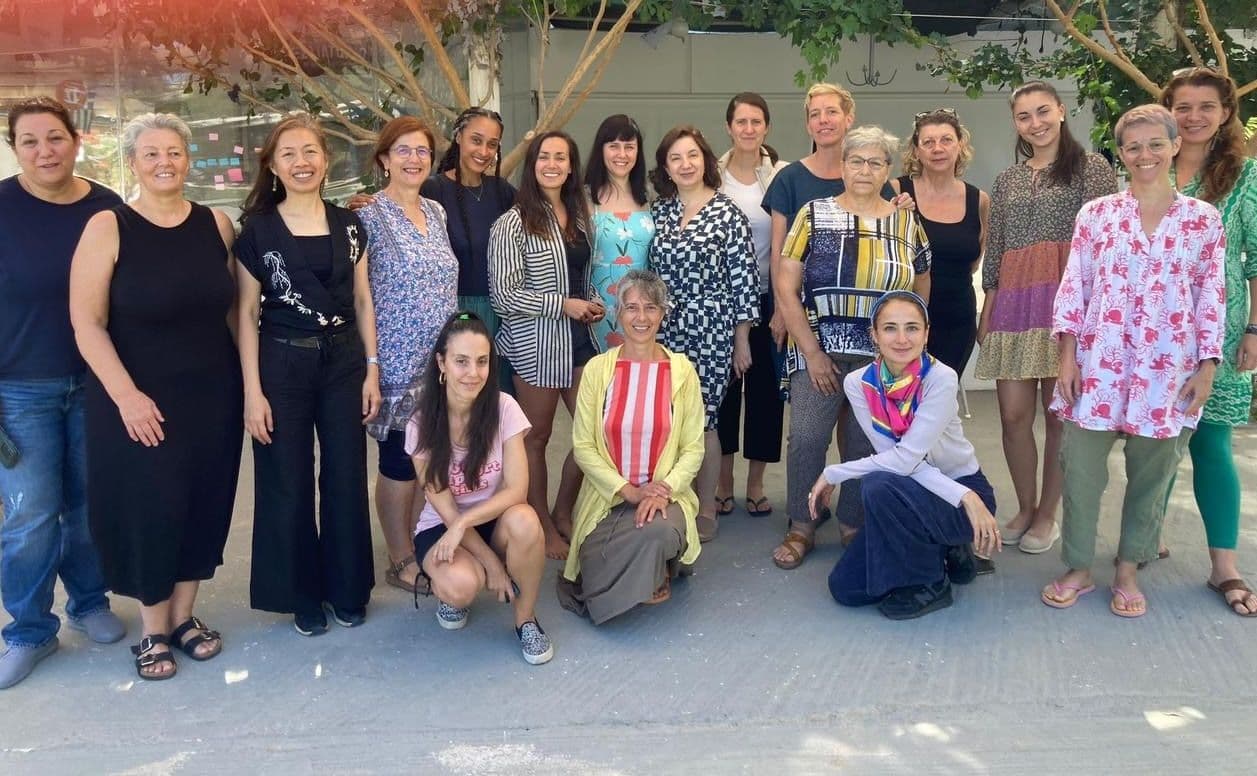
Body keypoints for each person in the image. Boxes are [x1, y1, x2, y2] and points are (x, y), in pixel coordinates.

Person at [69, 113, 242, 679]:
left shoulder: (216, 224)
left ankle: (185, 617)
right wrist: (126, 396)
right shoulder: (108, 226)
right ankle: (152, 630)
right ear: (133, 163)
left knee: (204, 501)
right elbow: (86, 322)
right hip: (138, 399)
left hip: (211, 394)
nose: (164, 162)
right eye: (151, 153)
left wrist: (249, 386)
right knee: (153, 509)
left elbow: (234, 310)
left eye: (174, 152)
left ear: (188, 160)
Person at [1042, 104, 1224, 618]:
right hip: (1099, 363)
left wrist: (1208, 366)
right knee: (1080, 469)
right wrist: (1067, 358)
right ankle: (1078, 566)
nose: (1145, 155)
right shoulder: (1097, 214)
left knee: (1152, 472)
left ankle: (1128, 569)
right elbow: (1075, 286)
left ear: (1174, 146)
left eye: (1155, 144)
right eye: (1133, 146)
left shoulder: (1202, 220)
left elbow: (1212, 294)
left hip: (1169, 368)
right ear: (1120, 154)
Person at [235, 113, 381, 636]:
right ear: (273, 166)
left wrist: (372, 369)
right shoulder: (258, 231)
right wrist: (252, 392)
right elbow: (245, 314)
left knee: (345, 475)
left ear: (326, 160)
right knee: (286, 479)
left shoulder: (350, 225)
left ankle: (346, 588)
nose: (302, 162)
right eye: (289, 154)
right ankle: (301, 594)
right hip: (282, 364)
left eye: (310, 151)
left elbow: (362, 300)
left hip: (344, 363)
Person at [0, 97, 125, 689]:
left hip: (95, 382)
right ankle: (28, 630)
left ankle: (89, 601)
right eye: (30, 141)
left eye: (55, 138)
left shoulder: (107, 207)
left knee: (88, 505)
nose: (45, 151)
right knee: (30, 515)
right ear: (15, 149)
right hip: (19, 388)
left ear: (76, 141)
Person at [773, 126, 931, 570]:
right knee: (807, 437)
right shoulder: (813, 214)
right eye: (856, 161)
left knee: (866, 444)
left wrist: (907, 341)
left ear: (888, 170)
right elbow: (786, 286)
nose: (865, 170)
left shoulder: (905, 221)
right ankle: (803, 522)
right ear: (842, 166)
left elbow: (922, 280)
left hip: (880, 358)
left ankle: (853, 521)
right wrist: (812, 352)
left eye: (875, 162)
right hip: (818, 348)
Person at [975, 81, 1117, 555]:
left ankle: (1048, 515)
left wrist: (1095, 314)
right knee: (1013, 415)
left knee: (1059, 417)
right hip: (1014, 302)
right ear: (1015, 123)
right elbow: (996, 248)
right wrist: (988, 308)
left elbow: (1104, 244)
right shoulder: (1007, 180)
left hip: (1068, 301)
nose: (1034, 123)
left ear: (1060, 111)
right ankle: (1026, 506)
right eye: (1024, 116)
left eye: (1042, 111)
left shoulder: (1092, 169)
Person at [815, 291, 1000, 619]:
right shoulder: (859, 384)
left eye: (912, 328)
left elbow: (902, 462)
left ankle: (930, 581)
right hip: (933, 491)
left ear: (926, 333)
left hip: (963, 492)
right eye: (890, 328)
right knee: (846, 588)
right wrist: (962, 496)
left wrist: (834, 472)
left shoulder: (941, 378)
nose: (902, 339)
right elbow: (899, 460)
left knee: (878, 485)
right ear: (874, 334)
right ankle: (944, 547)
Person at [1158, 68, 1257, 616]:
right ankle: (1146, 535)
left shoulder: (1246, 177)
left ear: (1224, 114)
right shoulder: (1148, 166)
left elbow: (1256, 259)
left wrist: (1255, 330)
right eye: (1183, 106)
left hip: (1220, 331)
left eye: (1206, 107)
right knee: (1156, 441)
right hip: (1153, 331)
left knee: (1211, 443)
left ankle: (1224, 565)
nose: (1193, 117)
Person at [406, 312, 552, 665]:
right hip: (441, 525)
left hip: (490, 518)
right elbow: (447, 511)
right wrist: (492, 565)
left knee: (526, 521)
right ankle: (455, 587)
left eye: (482, 361)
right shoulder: (421, 424)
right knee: (460, 587)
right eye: (461, 361)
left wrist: (463, 524)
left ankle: (526, 619)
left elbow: (517, 490)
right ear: (441, 363)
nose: (473, 373)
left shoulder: (505, 408)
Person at [560, 271, 705, 624]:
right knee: (595, 560)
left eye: (651, 307)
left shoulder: (682, 372)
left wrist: (663, 490)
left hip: (662, 498)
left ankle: (657, 564)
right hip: (608, 499)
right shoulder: (597, 370)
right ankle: (647, 571)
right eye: (632, 307)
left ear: (663, 313)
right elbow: (584, 447)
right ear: (618, 313)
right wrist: (629, 492)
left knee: (659, 530)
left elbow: (693, 449)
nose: (641, 317)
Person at [488, 131, 603, 560]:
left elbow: (579, 275)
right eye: (544, 157)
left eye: (561, 157)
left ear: (571, 166)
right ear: (532, 165)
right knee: (535, 438)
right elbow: (504, 295)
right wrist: (564, 305)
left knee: (596, 433)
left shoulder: (580, 215)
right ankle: (540, 524)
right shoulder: (512, 223)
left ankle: (563, 510)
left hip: (581, 341)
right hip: (536, 345)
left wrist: (589, 303)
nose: (552, 164)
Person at [356, 116, 458, 596]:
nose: (414, 159)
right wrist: (371, 367)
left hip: (441, 363)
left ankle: (418, 542)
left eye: (422, 151)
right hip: (395, 365)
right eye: (403, 150)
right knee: (398, 462)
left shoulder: (437, 212)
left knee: (429, 458)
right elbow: (361, 299)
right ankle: (399, 557)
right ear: (384, 160)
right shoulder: (366, 217)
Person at [648, 125, 758, 543]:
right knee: (666, 418)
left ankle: (707, 505)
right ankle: (672, 498)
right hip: (662, 330)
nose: (685, 164)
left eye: (692, 155)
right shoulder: (658, 212)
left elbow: (744, 280)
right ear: (666, 167)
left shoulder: (727, 213)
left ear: (705, 160)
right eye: (675, 158)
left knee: (704, 419)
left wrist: (741, 341)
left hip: (712, 329)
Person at [715, 92, 789, 519]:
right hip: (721, 300)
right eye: (740, 121)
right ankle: (723, 482)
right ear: (729, 127)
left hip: (769, 297)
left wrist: (783, 305)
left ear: (767, 127)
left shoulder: (782, 174)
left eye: (755, 122)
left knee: (766, 395)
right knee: (724, 392)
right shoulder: (713, 175)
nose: (748, 129)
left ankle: (756, 484)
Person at [893, 108, 990, 375]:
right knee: (901, 396)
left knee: (943, 394)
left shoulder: (979, 200)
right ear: (916, 150)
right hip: (904, 320)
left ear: (960, 145)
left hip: (957, 322)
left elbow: (974, 261)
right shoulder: (896, 192)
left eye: (946, 140)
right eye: (928, 142)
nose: (938, 148)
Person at [422, 108, 517, 342]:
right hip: (457, 313)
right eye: (476, 140)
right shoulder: (432, 190)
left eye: (492, 144)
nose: (484, 152)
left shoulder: (502, 191)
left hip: (504, 313)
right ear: (458, 136)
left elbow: (540, 215)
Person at [585, 114, 655, 351]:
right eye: (614, 146)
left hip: (642, 305)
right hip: (598, 305)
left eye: (629, 147)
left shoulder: (649, 195)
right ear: (601, 149)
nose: (622, 154)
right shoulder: (584, 197)